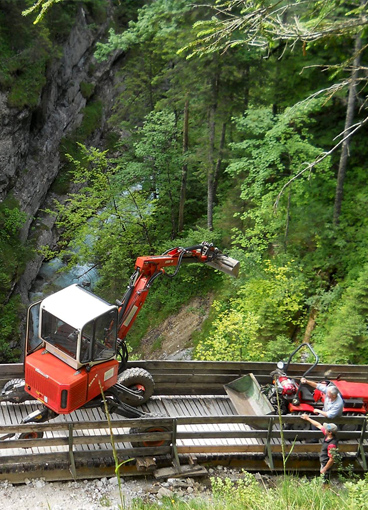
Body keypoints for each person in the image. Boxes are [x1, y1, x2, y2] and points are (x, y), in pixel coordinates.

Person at [301, 414, 339, 484]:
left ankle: (325, 491)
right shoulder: (328, 435)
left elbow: (332, 459)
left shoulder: (332, 444)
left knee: (325, 480)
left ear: (330, 432)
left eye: (326, 429)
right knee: (323, 479)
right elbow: (318, 425)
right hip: (323, 462)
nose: (325, 429)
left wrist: (325, 468)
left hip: (326, 464)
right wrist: (308, 418)